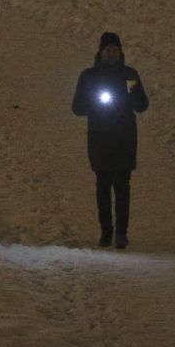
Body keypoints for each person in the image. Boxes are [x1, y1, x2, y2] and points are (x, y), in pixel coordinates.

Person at [71, 31, 148, 249]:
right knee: (103, 185)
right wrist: (94, 104)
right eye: (108, 50)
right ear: (101, 52)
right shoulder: (89, 76)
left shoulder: (129, 75)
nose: (112, 54)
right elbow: (77, 106)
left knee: (122, 186)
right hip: (100, 137)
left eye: (115, 50)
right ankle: (106, 231)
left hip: (123, 137)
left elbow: (142, 104)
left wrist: (131, 95)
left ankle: (121, 232)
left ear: (120, 52)